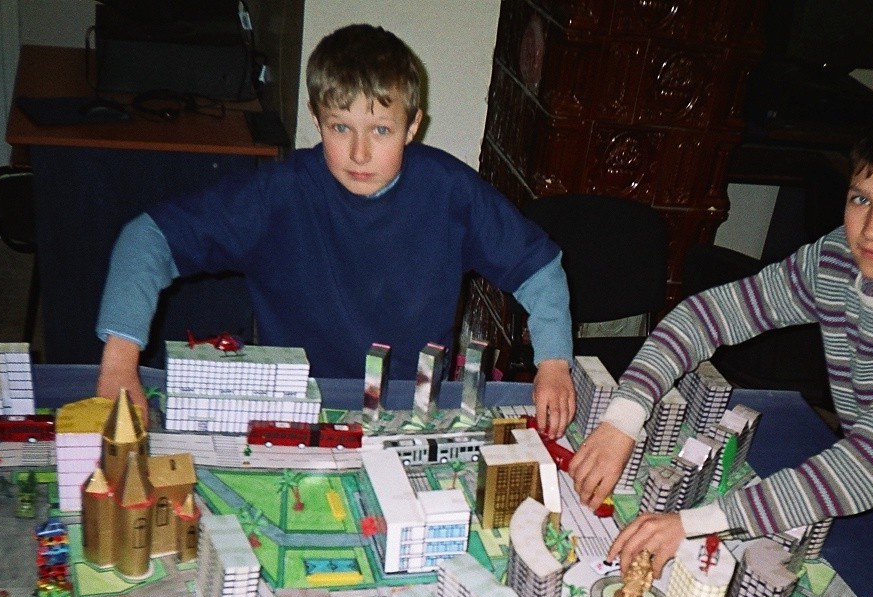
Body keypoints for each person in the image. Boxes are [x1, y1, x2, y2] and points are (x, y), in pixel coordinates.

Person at [569, 104, 873, 597]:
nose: (871, 230)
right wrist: (622, 419)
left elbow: (864, 470)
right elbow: (706, 315)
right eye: (861, 199)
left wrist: (694, 523)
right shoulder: (837, 259)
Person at [93, 24, 577, 435]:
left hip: (411, 410)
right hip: (294, 407)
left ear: (413, 126)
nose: (360, 154)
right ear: (316, 118)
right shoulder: (277, 194)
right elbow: (147, 238)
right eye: (340, 127)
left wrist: (553, 362)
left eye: (381, 130)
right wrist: (118, 363)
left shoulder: (451, 191)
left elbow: (538, 268)